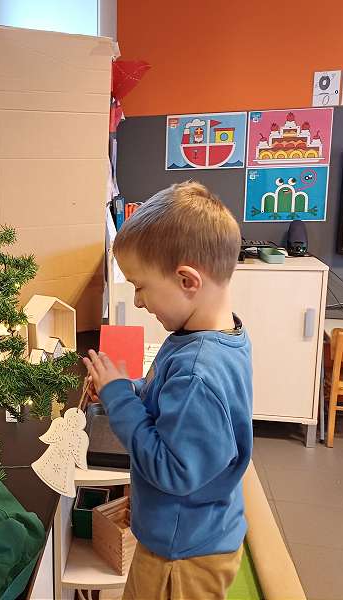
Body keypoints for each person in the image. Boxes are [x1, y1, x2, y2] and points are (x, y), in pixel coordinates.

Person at [84, 182, 253, 600]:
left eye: (140, 286)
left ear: (187, 280)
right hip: (191, 534)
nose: (139, 302)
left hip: (182, 556)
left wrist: (120, 400)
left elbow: (173, 470)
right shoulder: (206, 337)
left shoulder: (199, 371)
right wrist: (126, 389)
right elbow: (168, 399)